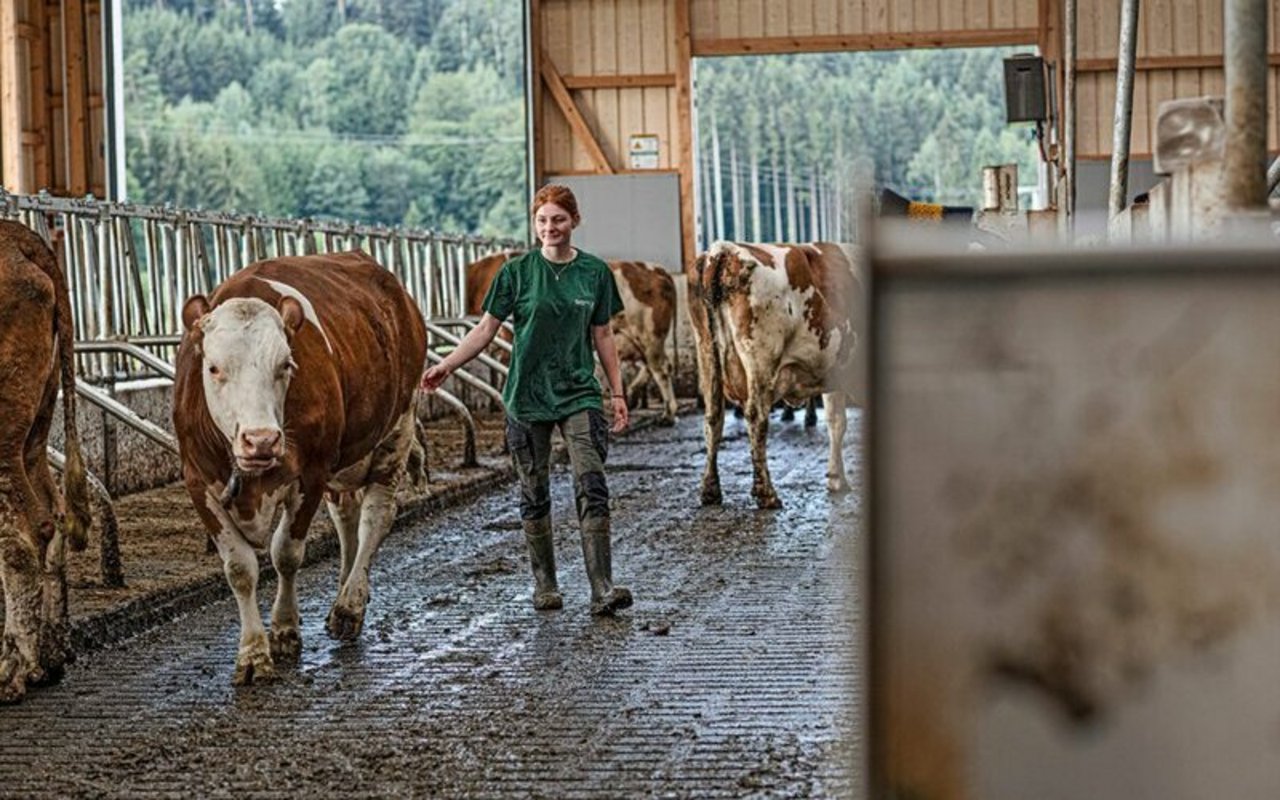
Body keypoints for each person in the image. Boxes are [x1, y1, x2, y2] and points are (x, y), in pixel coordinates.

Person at [420, 184, 633, 615]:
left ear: (574, 220)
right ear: (534, 225)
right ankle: (546, 586)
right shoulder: (515, 274)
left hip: (579, 392)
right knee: (533, 490)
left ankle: (602, 588)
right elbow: (485, 329)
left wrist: (617, 391)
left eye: (558, 219)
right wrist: (448, 365)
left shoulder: (594, 273)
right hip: (527, 393)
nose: (550, 227)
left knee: (591, 482)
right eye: (542, 220)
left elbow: (603, 334)